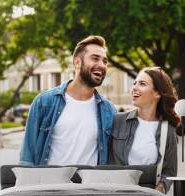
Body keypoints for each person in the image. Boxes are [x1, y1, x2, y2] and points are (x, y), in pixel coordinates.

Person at [20, 35, 117, 166]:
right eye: (95, 58)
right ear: (77, 62)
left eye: (104, 61)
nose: (101, 65)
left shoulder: (109, 110)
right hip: (52, 185)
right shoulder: (44, 102)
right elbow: (27, 155)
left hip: (90, 185)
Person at [109, 67, 179, 194]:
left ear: (157, 93)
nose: (134, 87)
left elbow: (169, 171)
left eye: (142, 84)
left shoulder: (167, 130)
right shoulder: (117, 121)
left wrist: (161, 188)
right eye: (134, 83)